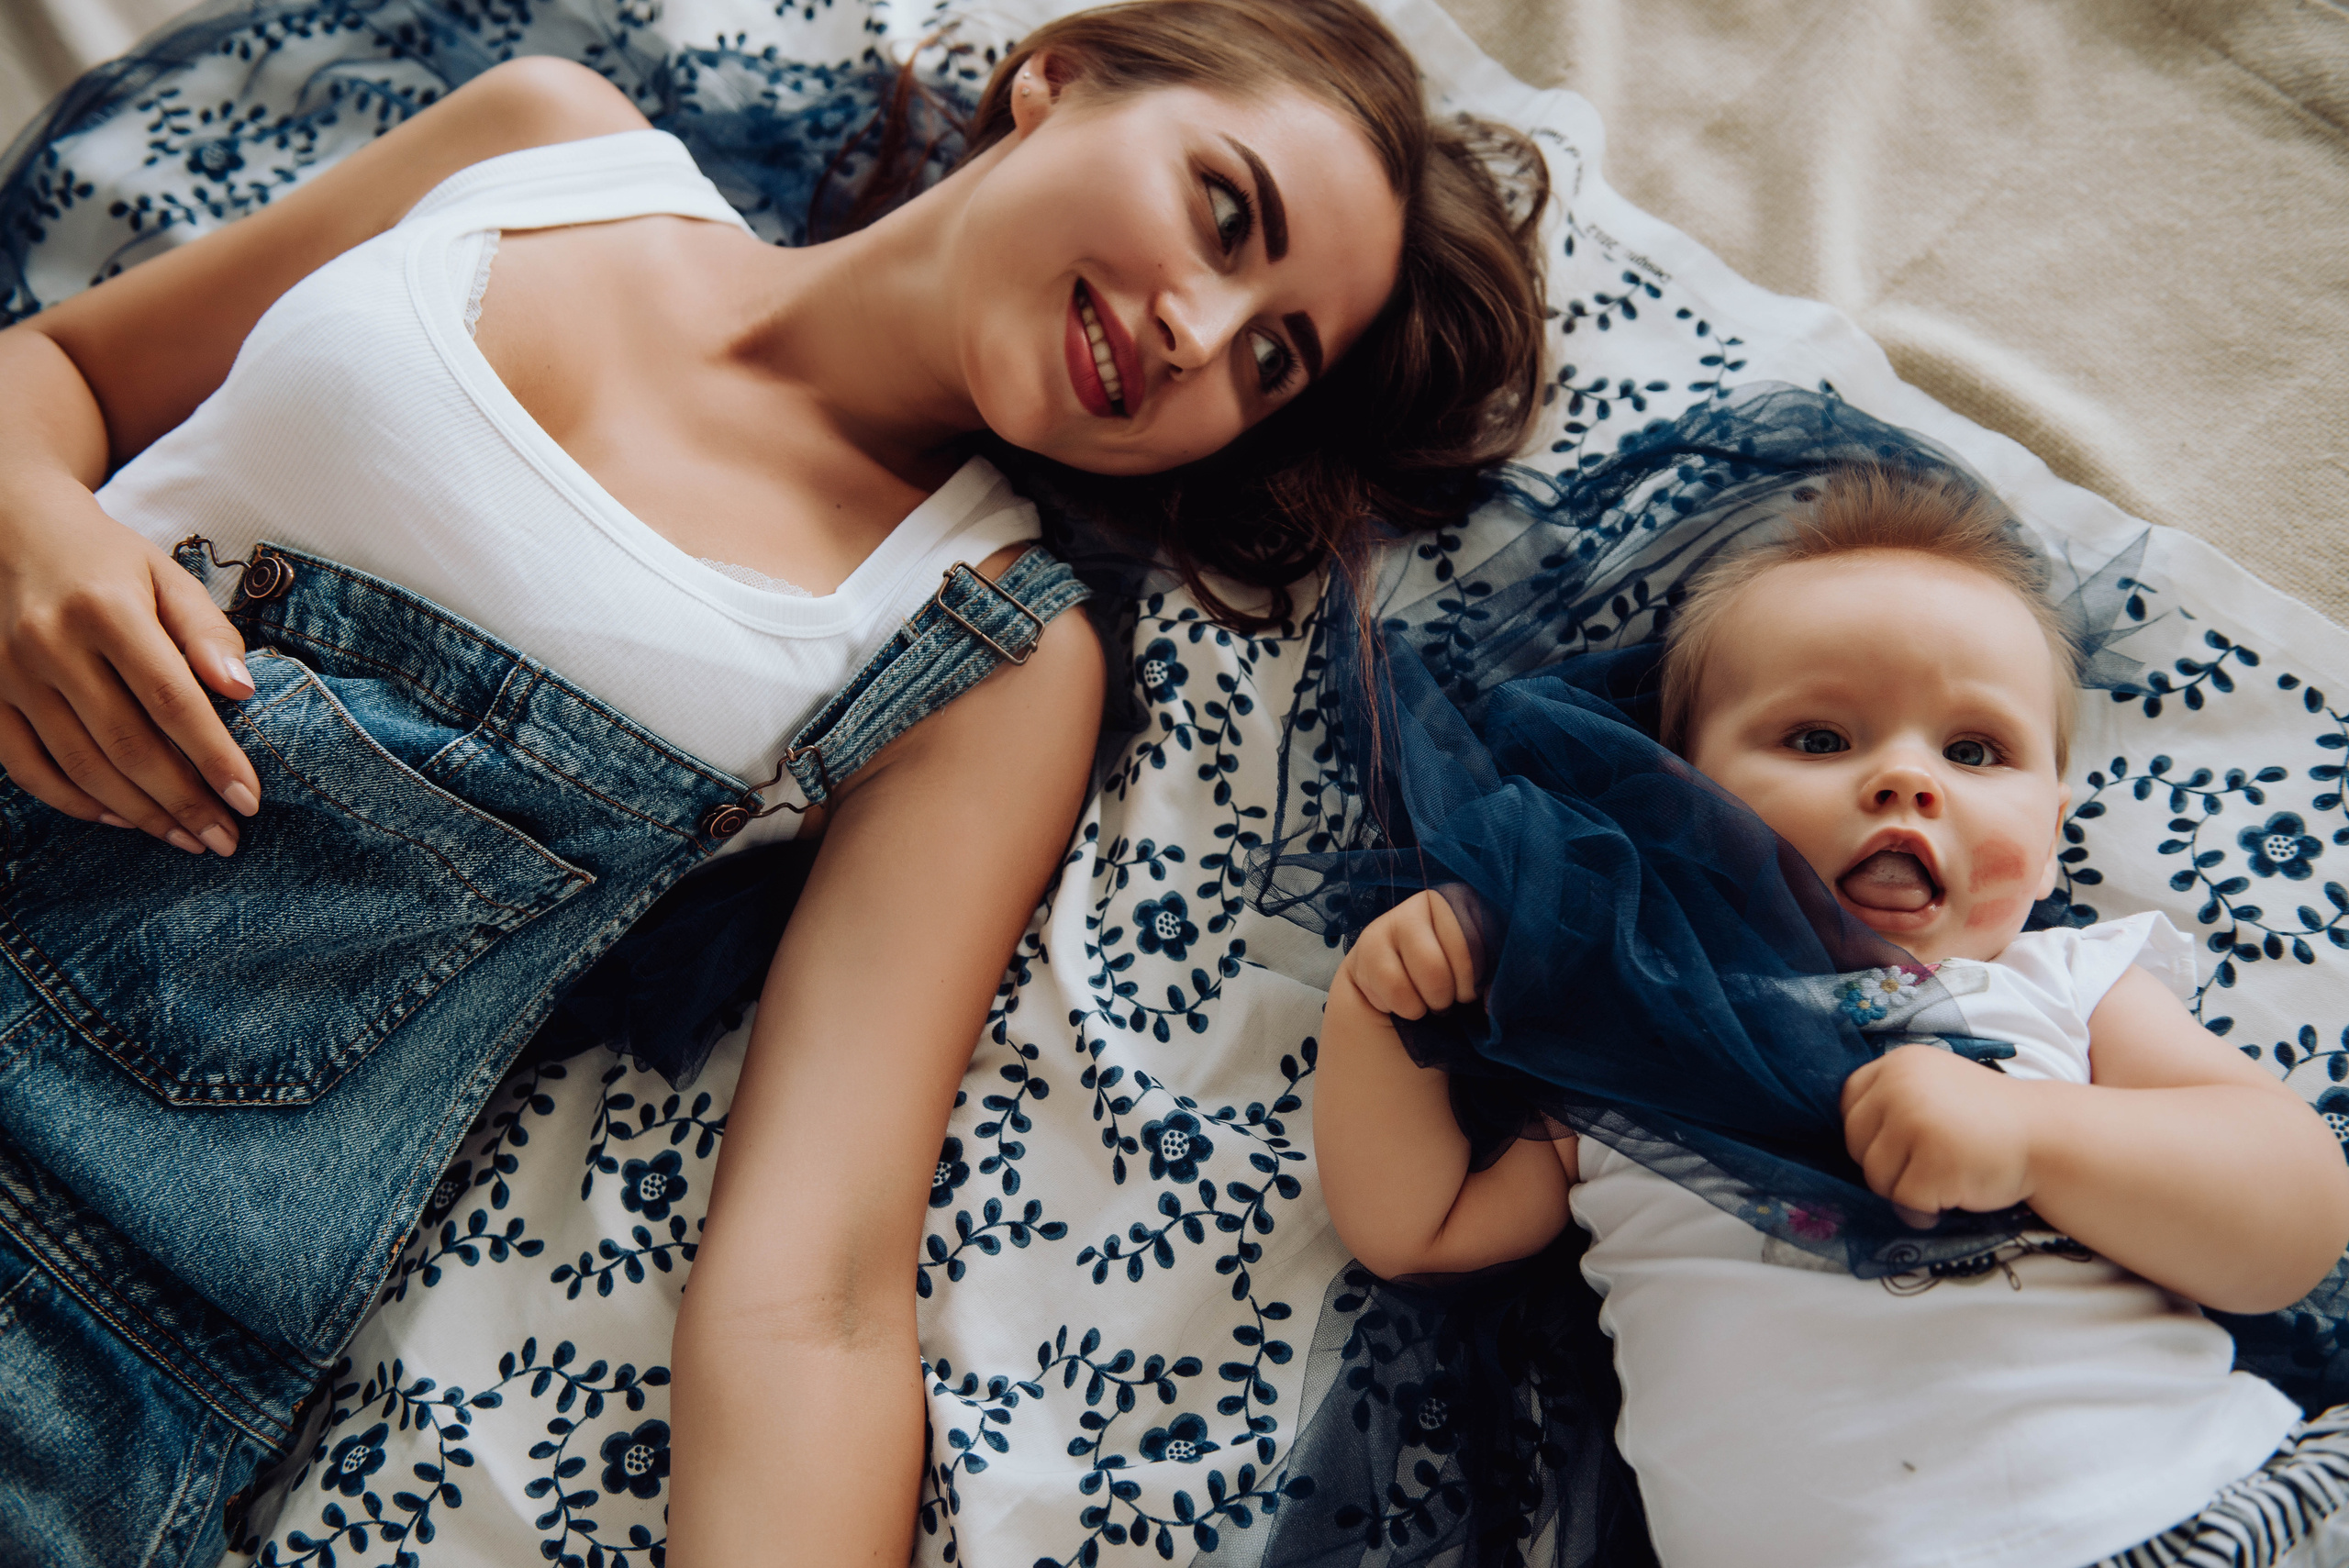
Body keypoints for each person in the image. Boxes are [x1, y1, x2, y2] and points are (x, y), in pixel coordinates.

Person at [0, 3, 1549, 1562]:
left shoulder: (985, 651)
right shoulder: (546, 147)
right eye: (1227, 215)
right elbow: (60, 367)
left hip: (76, 1276)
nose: (1200, 335)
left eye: (1270, 358)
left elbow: (813, 1287)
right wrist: (29, 520)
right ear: (1059, 80)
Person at [1310, 462, 2349, 1567]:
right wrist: (1377, 1010)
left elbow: (2290, 1218)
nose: (1906, 780)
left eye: (1972, 750)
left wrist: (2033, 1133)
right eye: (1818, 739)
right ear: (1683, 802)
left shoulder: (2065, 985)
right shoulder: (1633, 1031)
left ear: (2051, 828)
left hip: (2194, 1504)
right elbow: (1418, 1232)